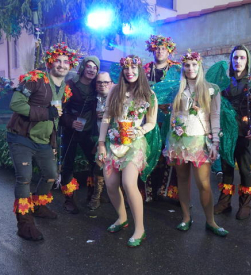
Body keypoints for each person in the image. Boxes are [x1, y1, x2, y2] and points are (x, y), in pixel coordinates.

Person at [7, 42, 79, 241]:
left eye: (66, 62)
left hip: (44, 141)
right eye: (58, 61)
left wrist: (53, 144)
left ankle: (39, 206)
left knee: (50, 175)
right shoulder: (35, 79)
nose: (62, 65)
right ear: (50, 61)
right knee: (24, 178)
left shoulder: (65, 88)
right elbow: (15, 103)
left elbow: (55, 119)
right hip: (21, 137)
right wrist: (45, 112)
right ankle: (25, 224)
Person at [163, 50, 228, 237]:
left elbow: (215, 116)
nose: (190, 68)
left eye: (193, 64)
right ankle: (185, 217)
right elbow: (174, 117)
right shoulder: (178, 89)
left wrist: (215, 142)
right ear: (183, 67)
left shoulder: (212, 88)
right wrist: (170, 140)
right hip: (179, 141)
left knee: (204, 184)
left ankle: (211, 221)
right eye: (187, 65)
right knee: (182, 181)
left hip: (200, 141)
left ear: (199, 66)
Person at [97, 55, 158, 247]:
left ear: (140, 71)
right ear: (122, 71)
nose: (130, 72)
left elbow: (151, 122)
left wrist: (139, 130)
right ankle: (122, 218)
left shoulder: (149, 94)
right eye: (126, 68)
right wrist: (100, 143)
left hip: (135, 143)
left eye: (133, 68)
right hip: (113, 142)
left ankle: (140, 229)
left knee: (129, 183)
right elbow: (107, 117)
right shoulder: (115, 90)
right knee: (111, 184)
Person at [214, 45, 251, 219]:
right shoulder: (225, 84)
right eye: (235, 58)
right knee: (227, 169)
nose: (238, 61)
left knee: (244, 170)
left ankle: (245, 204)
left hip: (244, 134)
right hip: (227, 133)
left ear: (248, 60)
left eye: (242, 58)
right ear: (231, 60)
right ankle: (224, 202)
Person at [59, 56, 100, 214]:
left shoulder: (97, 86)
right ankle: (68, 199)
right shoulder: (70, 85)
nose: (91, 70)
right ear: (83, 67)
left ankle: (92, 194)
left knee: (95, 162)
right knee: (68, 165)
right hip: (71, 132)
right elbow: (59, 110)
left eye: (95, 68)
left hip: (90, 131)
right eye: (89, 66)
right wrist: (70, 122)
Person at [143, 34, 180, 202]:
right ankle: (148, 191)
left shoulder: (177, 70)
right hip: (149, 118)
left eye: (163, 49)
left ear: (169, 51)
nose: (159, 51)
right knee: (149, 152)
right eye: (157, 48)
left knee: (169, 155)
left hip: (169, 119)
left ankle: (168, 192)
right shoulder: (145, 69)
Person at [88, 71, 114, 210]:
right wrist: (95, 115)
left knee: (118, 169)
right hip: (99, 139)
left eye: (106, 82)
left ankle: (120, 198)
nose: (102, 85)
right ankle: (96, 197)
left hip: (116, 139)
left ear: (111, 83)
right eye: (99, 82)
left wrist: (108, 115)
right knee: (99, 166)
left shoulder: (117, 96)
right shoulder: (93, 98)